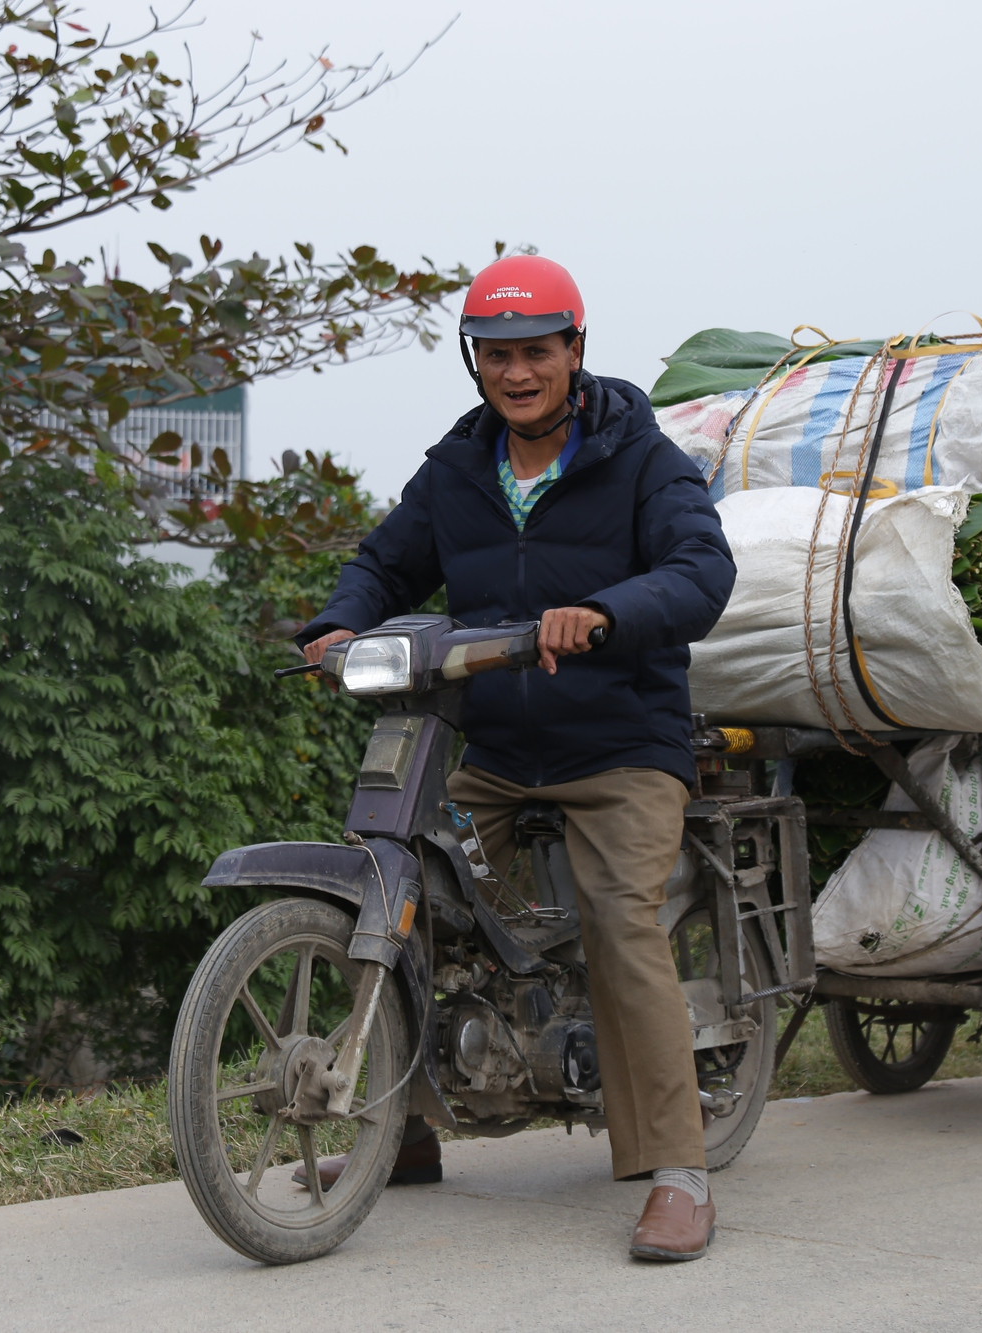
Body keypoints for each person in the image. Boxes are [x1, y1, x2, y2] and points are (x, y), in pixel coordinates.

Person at [291, 255, 736, 1262]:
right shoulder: (456, 469)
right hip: (491, 745)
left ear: (574, 351)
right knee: (401, 893)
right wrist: (334, 625)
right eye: (496, 354)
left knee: (619, 920)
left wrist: (608, 615)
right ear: (474, 360)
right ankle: (400, 1132)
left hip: (621, 742)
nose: (516, 372)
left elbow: (699, 569)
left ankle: (676, 1170)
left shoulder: (639, 459)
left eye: (536, 351)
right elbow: (384, 560)